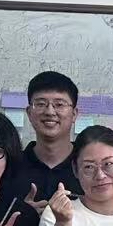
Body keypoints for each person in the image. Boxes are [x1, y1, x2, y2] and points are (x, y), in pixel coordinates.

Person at [18, 71, 83, 204]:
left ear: (74, 114)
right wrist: (25, 216)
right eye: (41, 104)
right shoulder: (10, 166)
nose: (50, 112)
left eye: (59, 104)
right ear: (29, 113)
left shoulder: (90, 167)